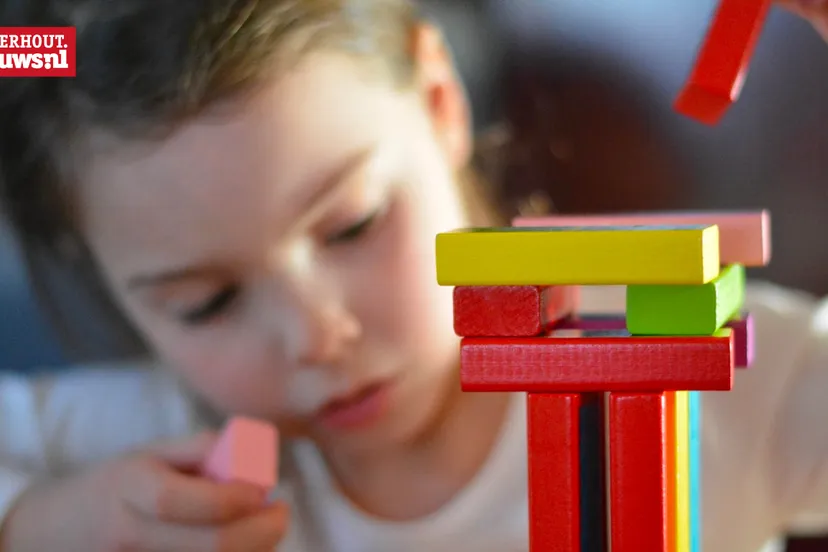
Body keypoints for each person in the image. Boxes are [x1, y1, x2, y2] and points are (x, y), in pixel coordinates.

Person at [0, 1, 826, 551]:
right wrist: (38, 524)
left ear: (440, 101)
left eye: (353, 225)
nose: (316, 335)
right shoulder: (156, 450)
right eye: (206, 303)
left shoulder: (703, 371)